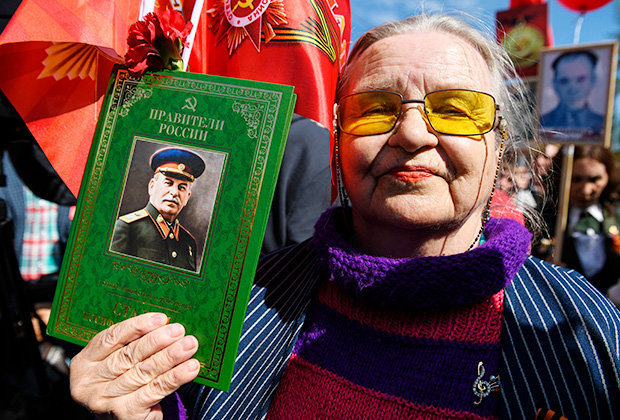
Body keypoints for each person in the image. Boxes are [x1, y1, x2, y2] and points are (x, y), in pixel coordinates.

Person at [69, 13, 620, 420]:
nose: (411, 133)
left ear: (499, 146)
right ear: (338, 140)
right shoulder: (241, 303)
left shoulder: (589, 335)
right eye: (375, 108)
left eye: (456, 109)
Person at [110, 147, 205, 272]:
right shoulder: (127, 228)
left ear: (187, 197)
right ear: (152, 187)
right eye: (168, 183)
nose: (174, 192)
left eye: (182, 187)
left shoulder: (188, 242)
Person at [556, 145, 620, 295]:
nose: (585, 190)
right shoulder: (543, 224)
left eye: (595, 179)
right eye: (575, 179)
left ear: (608, 177)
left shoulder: (617, 219)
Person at [540, 50, 604, 134]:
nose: (572, 88)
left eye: (580, 79)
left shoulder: (602, 124)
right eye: (564, 81)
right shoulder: (540, 123)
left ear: (593, 80)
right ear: (555, 84)